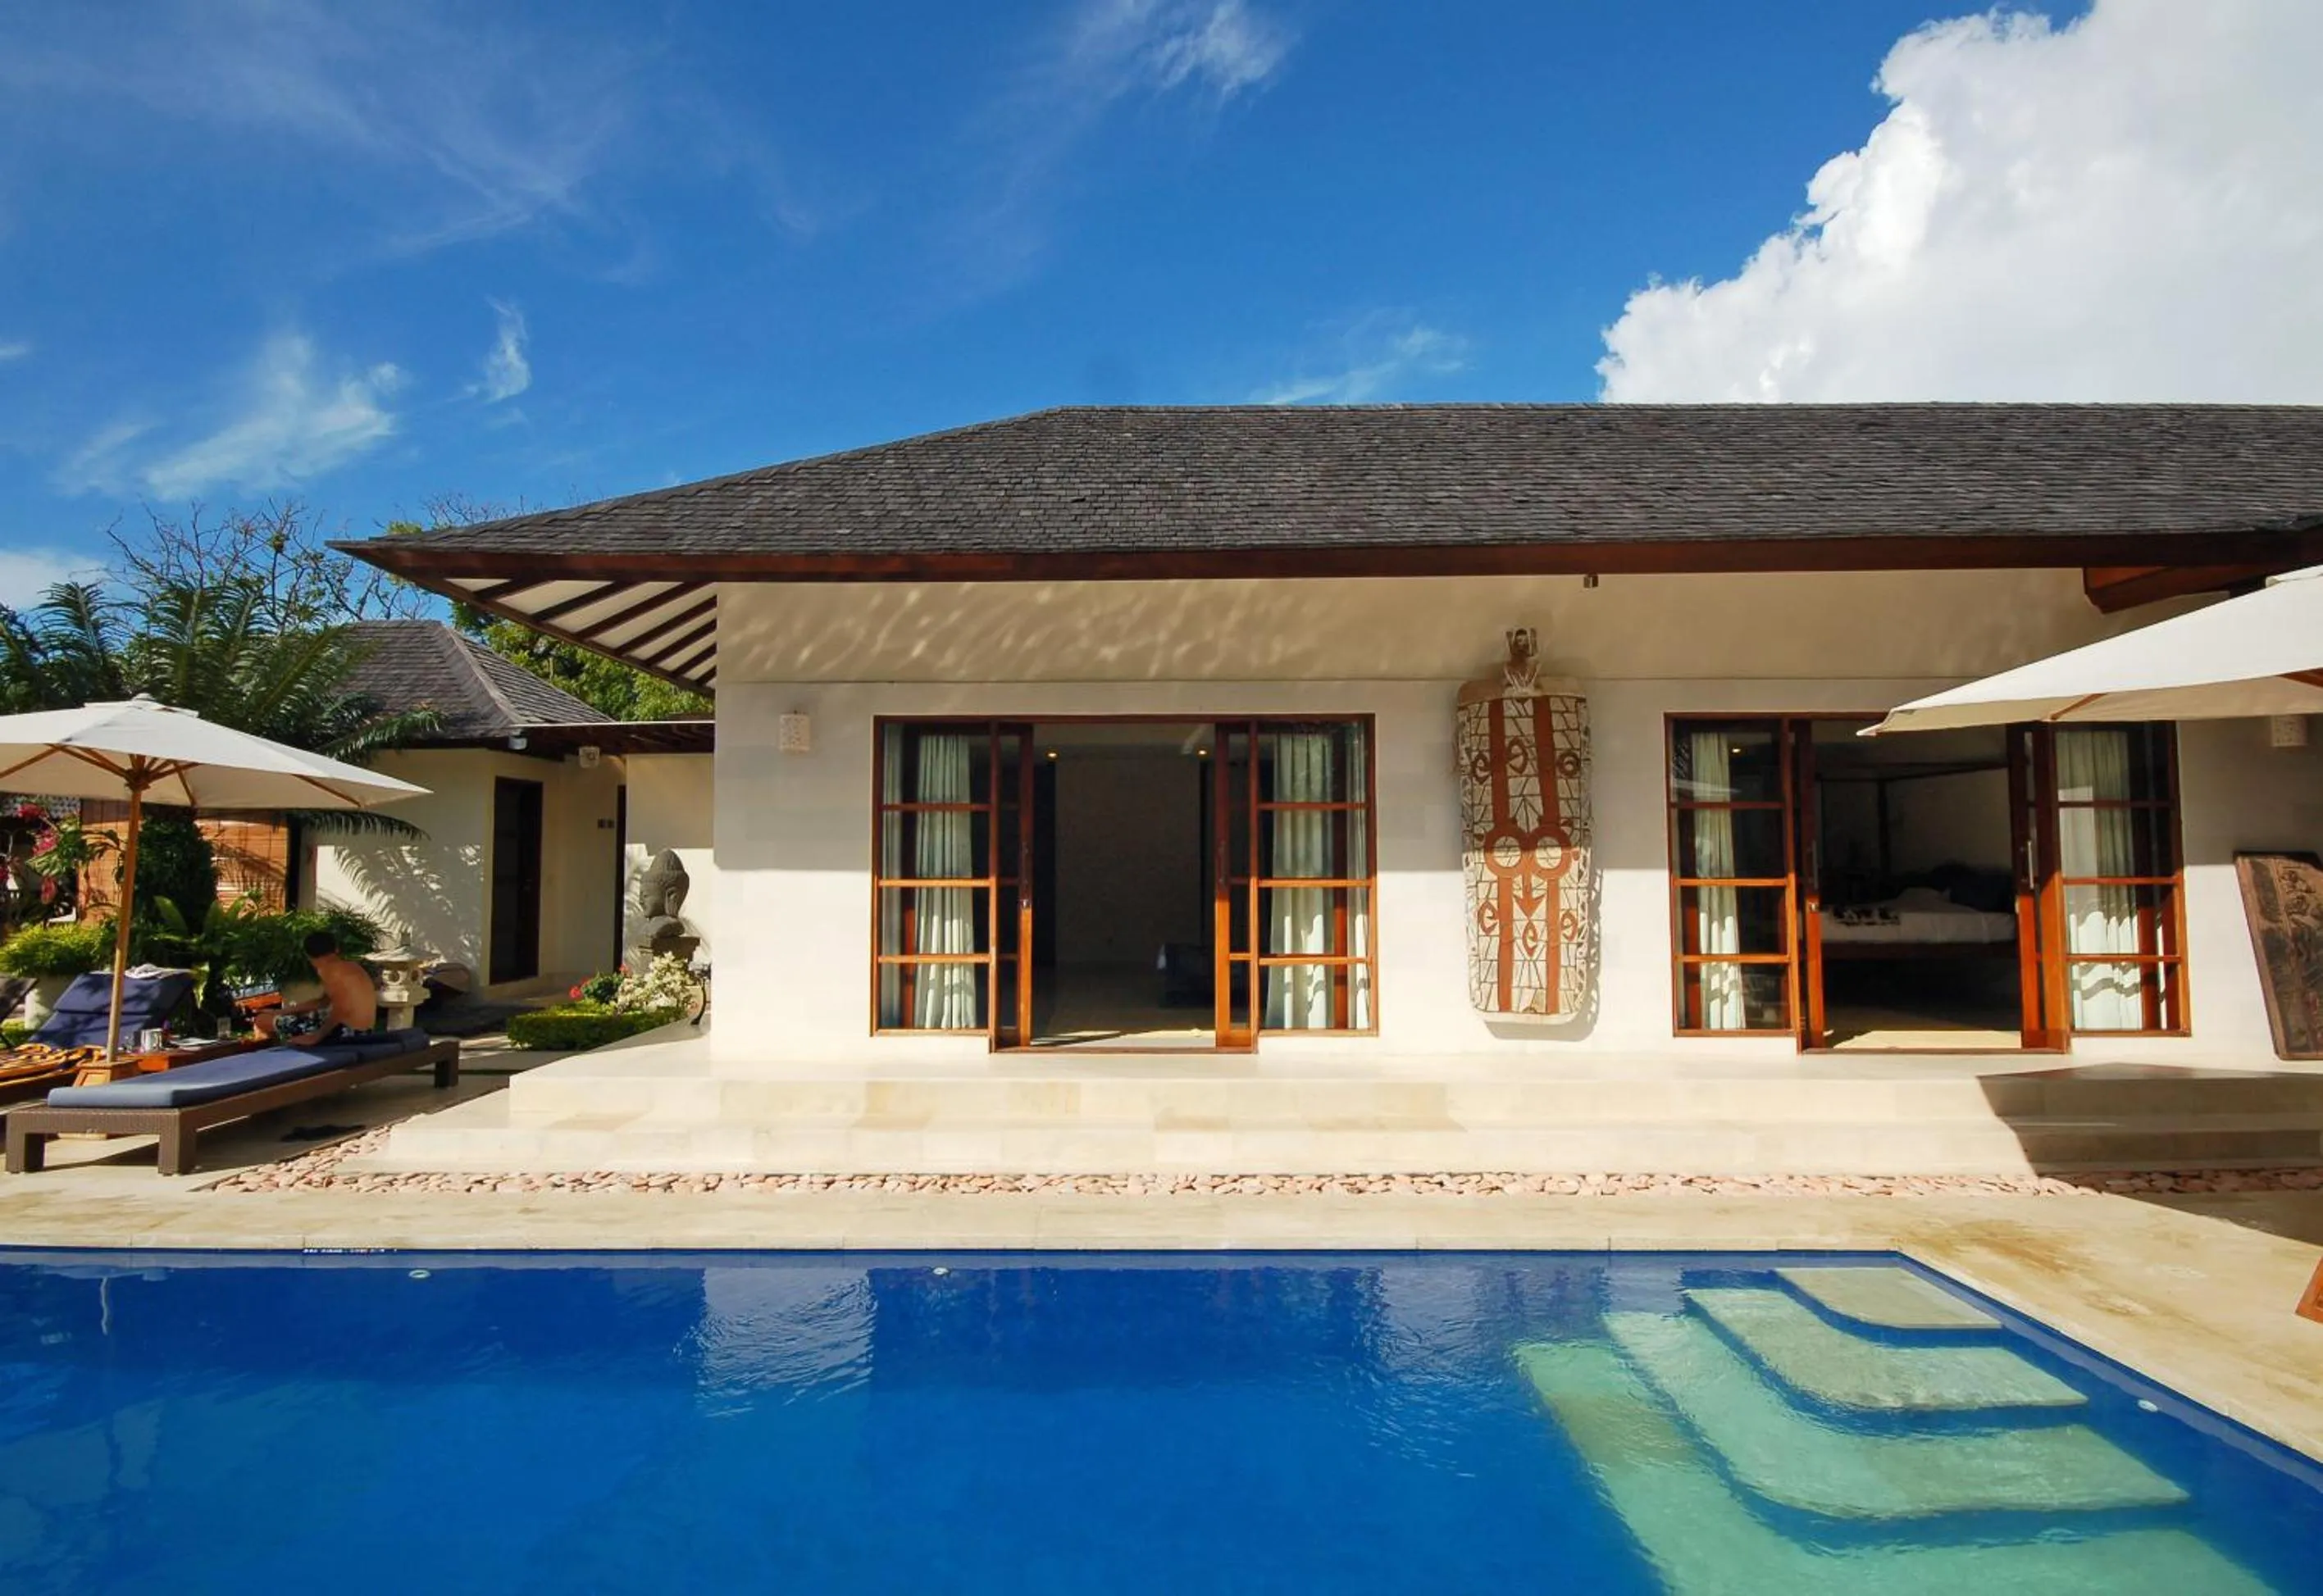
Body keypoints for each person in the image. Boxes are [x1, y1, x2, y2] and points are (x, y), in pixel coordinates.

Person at [255, 931, 378, 1043]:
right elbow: (322, 1002)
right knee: (297, 1017)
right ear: (336, 949)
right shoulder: (353, 966)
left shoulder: (328, 970)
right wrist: (280, 1012)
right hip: (364, 1032)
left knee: (261, 1020)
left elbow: (342, 1008)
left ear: (309, 956)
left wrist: (316, 1037)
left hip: (346, 1034)